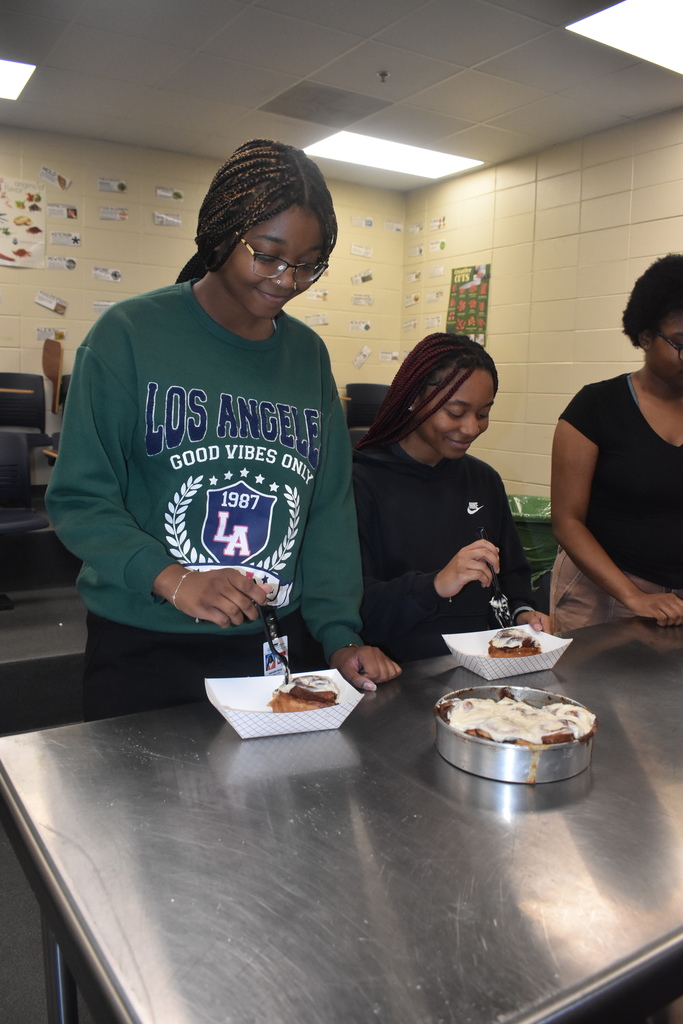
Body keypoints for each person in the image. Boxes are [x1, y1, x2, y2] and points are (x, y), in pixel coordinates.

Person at [46, 139, 400, 720]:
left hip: (272, 647)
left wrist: (339, 634)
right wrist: (175, 579)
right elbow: (81, 499)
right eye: (267, 255)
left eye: (310, 263)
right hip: (147, 642)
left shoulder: (308, 358)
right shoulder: (128, 335)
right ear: (221, 232)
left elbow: (328, 511)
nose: (288, 280)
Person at [352, 333, 550, 662]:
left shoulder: (483, 480)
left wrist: (523, 612)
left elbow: (512, 573)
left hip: (483, 663)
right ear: (413, 398)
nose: (471, 428)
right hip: (400, 667)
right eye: (456, 412)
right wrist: (435, 585)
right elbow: (353, 605)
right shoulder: (360, 481)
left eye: (483, 414)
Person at [550, 254, 683, 633]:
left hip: (676, 602)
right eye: (681, 344)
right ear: (645, 337)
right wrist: (633, 596)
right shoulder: (595, 407)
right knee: (588, 692)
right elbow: (567, 521)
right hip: (600, 595)